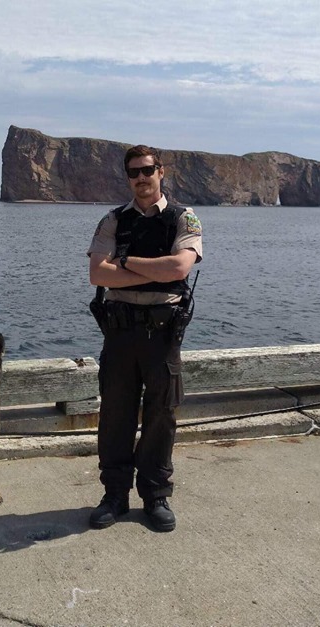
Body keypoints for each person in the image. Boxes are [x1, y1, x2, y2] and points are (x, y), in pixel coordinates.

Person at [87, 144, 203, 532]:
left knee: (161, 416)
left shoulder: (183, 218)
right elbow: (98, 276)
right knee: (115, 416)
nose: (141, 178)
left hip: (162, 333)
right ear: (127, 177)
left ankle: (155, 496)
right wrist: (156, 272)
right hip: (119, 334)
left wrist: (125, 262)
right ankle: (115, 495)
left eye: (147, 170)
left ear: (161, 171)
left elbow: (180, 266)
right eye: (133, 172)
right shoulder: (113, 219)